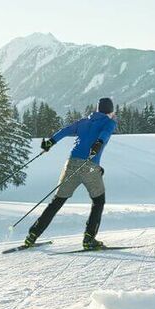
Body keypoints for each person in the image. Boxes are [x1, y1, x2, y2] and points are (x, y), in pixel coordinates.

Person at [23, 97, 117, 250]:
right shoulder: (110, 122)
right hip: (90, 165)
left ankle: (32, 235)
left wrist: (50, 143)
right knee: (98, 201)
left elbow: (65, 131)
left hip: (71, 163)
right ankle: (89, 239)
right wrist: (98, 143)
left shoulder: (84, 121)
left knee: (56, 202)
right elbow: (105, 133)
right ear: (110, 111)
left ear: (98, 109)